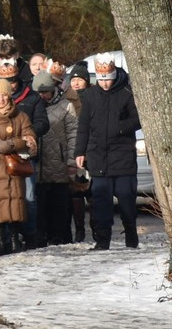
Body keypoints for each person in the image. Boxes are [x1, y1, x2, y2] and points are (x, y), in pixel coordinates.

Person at [74, 53, 141, 250]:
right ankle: (102, 240)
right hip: (98, 157)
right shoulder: (91, 96)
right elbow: (83, 125)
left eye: (108, 79)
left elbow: (137, 120)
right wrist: (80, 151)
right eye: (101, 79)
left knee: (127, 200)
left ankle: (131, 235)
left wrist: (119, 128)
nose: (105, 83)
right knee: (101, 202)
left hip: (123, 157)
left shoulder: (127, 92)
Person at [0, 57, 49, 250]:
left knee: (28, 197)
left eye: (12, 80)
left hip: (24, 156)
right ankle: (9, 236)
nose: (9, 85)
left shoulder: (31, 97)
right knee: (6, 197)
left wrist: (29, 134)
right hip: (1, 156)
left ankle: (29, 233)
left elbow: (43, 122)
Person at [0, 78, 37, 256]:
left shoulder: (20, 116)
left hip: (13, 167)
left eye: (4, 95)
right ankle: (0, 241)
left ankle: (14, 240)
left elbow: (30, 138)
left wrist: (13, 144)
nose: (1, 99)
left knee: (14, 202)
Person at [33, 67, 78, 247]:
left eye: (46, 92)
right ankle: (40, 235)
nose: (43, 96)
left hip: (58, 163)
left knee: (59, 204)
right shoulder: (32, 106)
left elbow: (73, 134)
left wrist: (71, 161)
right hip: (37, 165)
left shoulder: (66, 106)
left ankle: (59, 236)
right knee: (39, 204)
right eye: (40, 92)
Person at [65, 61, 91, 242]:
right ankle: (79, 228)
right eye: (73, 79)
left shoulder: (92, 97)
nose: (76, 83)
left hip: (91, 150)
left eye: (80, 79)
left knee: (92, 191)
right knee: (75, 192)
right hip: (74, 150)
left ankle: (96, 227)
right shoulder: (67, 99)